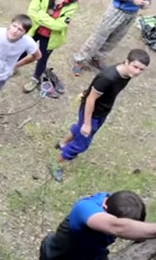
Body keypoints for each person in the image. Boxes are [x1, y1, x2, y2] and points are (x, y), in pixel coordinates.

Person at [51, 49, 149, 182]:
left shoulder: (127, 74)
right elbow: (91, 99)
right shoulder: (108, 78)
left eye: (141, 69)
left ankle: (62, 143)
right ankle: (56, 164)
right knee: (81, 144)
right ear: (126, 62)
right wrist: (87, 123)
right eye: (135, 67)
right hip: (92, 113)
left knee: (79, 130)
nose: (137, 72)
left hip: (102, 110)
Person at [39, 190, 156, 259]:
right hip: (58, 256)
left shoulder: (116, 206)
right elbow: (117, 227)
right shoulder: (85, 208)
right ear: (104, 206)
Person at [22, 0, 80, 93]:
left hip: (50, 37)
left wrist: (41, 16)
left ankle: (35, 79)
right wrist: (51, 21)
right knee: (22, 49)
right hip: (35, 30)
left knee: (42, 58)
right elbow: (32, 11)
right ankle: (12, 67)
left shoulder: (72, 4)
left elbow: (60, 25)